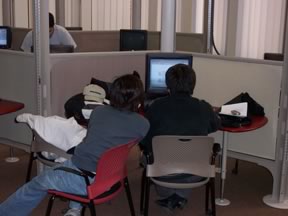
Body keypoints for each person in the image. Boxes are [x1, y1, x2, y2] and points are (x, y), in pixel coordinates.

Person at [0, 74, 150, 216]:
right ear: (138, 99)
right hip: (112, 176)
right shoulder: (143, 124)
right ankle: (74, 209)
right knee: (73, 160)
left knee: (36, 184)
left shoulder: (99, 112)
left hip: (86, 180)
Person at [140, 64, 221, 212]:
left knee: (145, 156)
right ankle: (178, 196)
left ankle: (172, 196)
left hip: (161, 171)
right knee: (190, 157)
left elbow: (145, 138)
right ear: (193, 84)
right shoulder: (204, 107)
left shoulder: (156, 106)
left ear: (167, 84)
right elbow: (215, 126)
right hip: (197, 172)